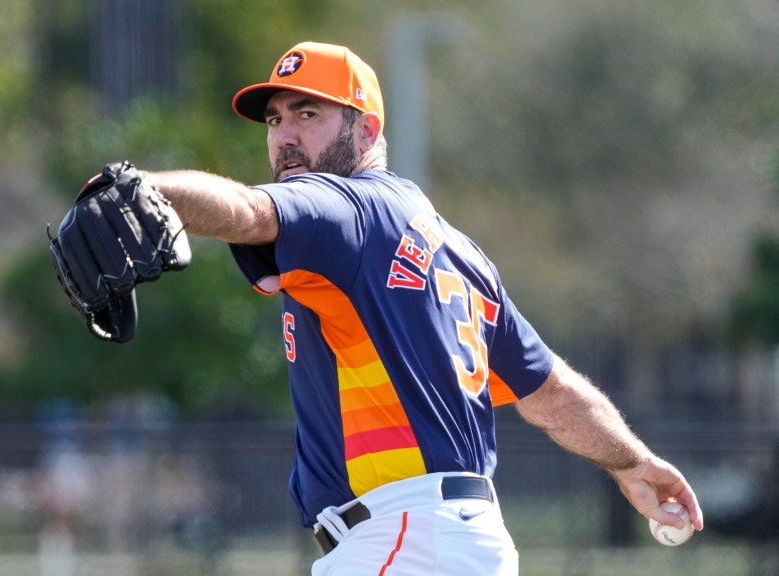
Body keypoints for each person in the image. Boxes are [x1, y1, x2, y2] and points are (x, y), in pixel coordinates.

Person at [137, 41, 704, 575]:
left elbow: (247, 209)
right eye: (275, 119)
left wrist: (141, 192)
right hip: (454, 540)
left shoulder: (349, 208)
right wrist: (631, 462)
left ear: (367, 131)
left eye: (308, 115)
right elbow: (551, 393)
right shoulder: (459, 253)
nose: (285, 136)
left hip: (403, 537)